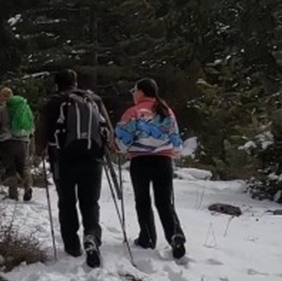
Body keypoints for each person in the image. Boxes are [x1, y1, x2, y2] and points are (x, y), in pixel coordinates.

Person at [35, 69, 114, 268]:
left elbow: (41, 132)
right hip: (93, 159)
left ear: (57, 84)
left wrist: (38, 152)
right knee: (90, 202)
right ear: (76, 82)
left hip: (63, 160)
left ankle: (72, 245)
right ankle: (91, 237)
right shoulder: (94, 99)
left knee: (67, 202)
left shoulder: (54, 102)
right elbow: (108, 132)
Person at [116, 77, 187, 259]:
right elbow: (176, 140)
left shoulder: (133, 112)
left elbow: (122, 141)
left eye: (134, 90)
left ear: (140, 91)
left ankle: (147, 237)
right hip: (163, 161)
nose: (133, 94)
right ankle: (175, 234)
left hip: (140, 161)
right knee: (164, 201)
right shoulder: (166, 111)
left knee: (143, 200)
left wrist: (122, 147)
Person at [0, 86, 34, 201]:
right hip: (23, 140)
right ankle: (28, 185)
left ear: (2, 97)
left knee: (10, 167)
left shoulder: (1, 109)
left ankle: (13, 194)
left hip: (7, 141)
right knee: (24, 166)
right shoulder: (23, 107)